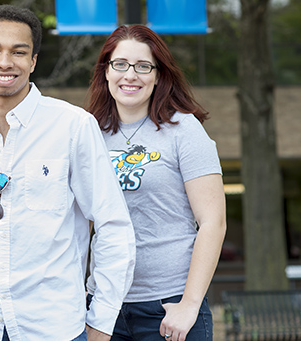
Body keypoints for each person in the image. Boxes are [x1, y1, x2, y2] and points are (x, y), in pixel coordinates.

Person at [0, 5, 136, 341]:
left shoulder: (73, 127)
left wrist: (101, 321)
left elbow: (113, 227)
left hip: (55, 327)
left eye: (18, 52)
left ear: (33, 61)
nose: (5, 62)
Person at [85, 25, 227, 341]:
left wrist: (189, 305)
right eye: (120, 64)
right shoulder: (89, 133)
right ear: (106, 71)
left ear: (158, 75)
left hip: (169, 307)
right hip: (104, 307)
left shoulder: (183, 130)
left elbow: (212, 222)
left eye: (143, 66)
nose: (130, 75)